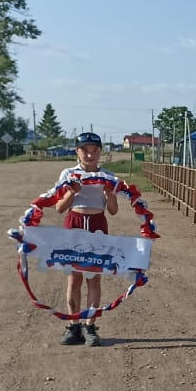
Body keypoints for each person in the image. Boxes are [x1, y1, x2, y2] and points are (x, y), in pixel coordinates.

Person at [54, 132, 119, 347]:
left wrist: (110, 195)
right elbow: (59, 207)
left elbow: (113, 211)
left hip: (97, 225)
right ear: (77, 151)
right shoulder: (69, 174)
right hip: (74, 223)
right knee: (74, 278)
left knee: (94, 278)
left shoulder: (107, 176)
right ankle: (73, 325)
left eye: (94, 151)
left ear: (100, 152)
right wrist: (72, 193)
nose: (90, 155)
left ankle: (90, 326)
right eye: (85, 150)